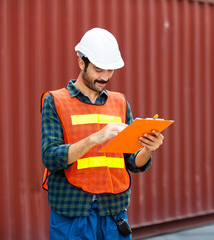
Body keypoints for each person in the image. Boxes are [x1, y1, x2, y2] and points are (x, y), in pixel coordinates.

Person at [41, 28, 165, 240]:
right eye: (99, 70)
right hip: (72, 212)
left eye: (110, 71)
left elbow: (132, 162)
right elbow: (51, 158)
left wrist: (147, 149)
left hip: (113, 211)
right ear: (82, 63)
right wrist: (95, 138)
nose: (105, 77)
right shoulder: (55, 101)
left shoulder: (119, 102)